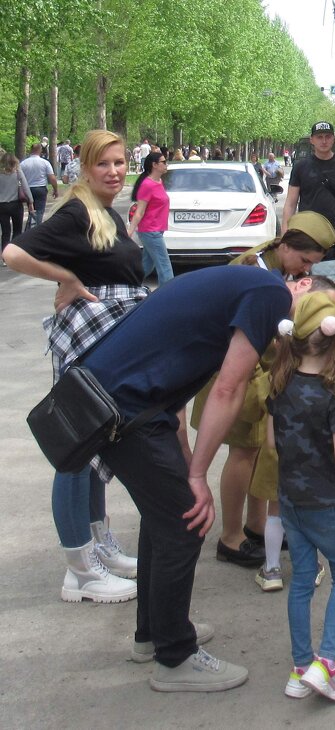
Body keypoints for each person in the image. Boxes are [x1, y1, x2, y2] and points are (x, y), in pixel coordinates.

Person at [76, 266, 335, 691]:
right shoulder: (271, 293)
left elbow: (181, 362)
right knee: (186, 522)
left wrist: (184, 454)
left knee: (165, 518)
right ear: (304, 285)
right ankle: (175, 658)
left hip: (122, 399)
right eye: (324, 309)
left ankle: (154, 634)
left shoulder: (245, 288)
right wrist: (197, 474)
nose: (322, 325)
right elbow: (228, 388)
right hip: (123, 406)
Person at [4, 129, 148, 602]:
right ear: (84, 168)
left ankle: (98, 545)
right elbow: (13, 252)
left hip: (105, 342)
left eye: (119, 162)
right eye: (103, 163)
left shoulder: (104, 211)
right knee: (75, 450)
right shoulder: (76, 212)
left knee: (96, 446)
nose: (114, 171)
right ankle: (80, 569)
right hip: (87, 342)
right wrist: (66, 275)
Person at [189, 212, 335, 569]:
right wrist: (261, 383)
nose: (306, 270)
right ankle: (230, 537)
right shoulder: (253, 269)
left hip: (262, 369)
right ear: (286, 246)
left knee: (259, 453)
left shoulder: (280, 267)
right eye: (304, 260)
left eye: (312, 265)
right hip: (237, 371)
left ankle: (255, 526)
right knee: (242, 453)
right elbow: (239, 334)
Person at [267, 292, 335, 702]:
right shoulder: (333, 395)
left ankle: (300, 666)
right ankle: (328, 663)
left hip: (289, 499)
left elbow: (272, 444)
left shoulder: (280, 386)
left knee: (303, 579)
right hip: (325, 501)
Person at [283, 121, 335, 275]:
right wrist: (285, 234)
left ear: (333, 139)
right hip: (306, 235)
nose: (324, 141)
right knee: (305, 282)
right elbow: (290, 203)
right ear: (312, 140)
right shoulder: (300, 167)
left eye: (328, 136)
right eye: (319, 137)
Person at [129, 151, 174, 284]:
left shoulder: (159, 181)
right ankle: (168, 294)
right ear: (154, 165)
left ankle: (128, 284)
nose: (166, 164)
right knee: (165, 267)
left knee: (147, 265)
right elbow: (139, 211)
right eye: (163, 162)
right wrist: (130, 231)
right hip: (150, 231)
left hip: (157, 230)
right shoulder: (147, 185)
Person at [0, 150, 34, 252]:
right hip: (16, 204)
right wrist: (30, 201)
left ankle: (5, 254)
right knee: (17, 230)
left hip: (2, 206)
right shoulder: (18, 172)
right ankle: (14, 252)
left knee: (5, 232)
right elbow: (25, 186)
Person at [20, 143, 58, 227]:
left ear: (31, 150)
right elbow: (52, 178)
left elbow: (19, 178)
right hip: (40, 188)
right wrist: (55, 190)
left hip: (28, 189)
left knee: (31, 210)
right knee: (40, 211)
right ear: (40, 150)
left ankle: (31, 226)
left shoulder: (23, 163)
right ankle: (37, 227)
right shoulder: (45, 162)